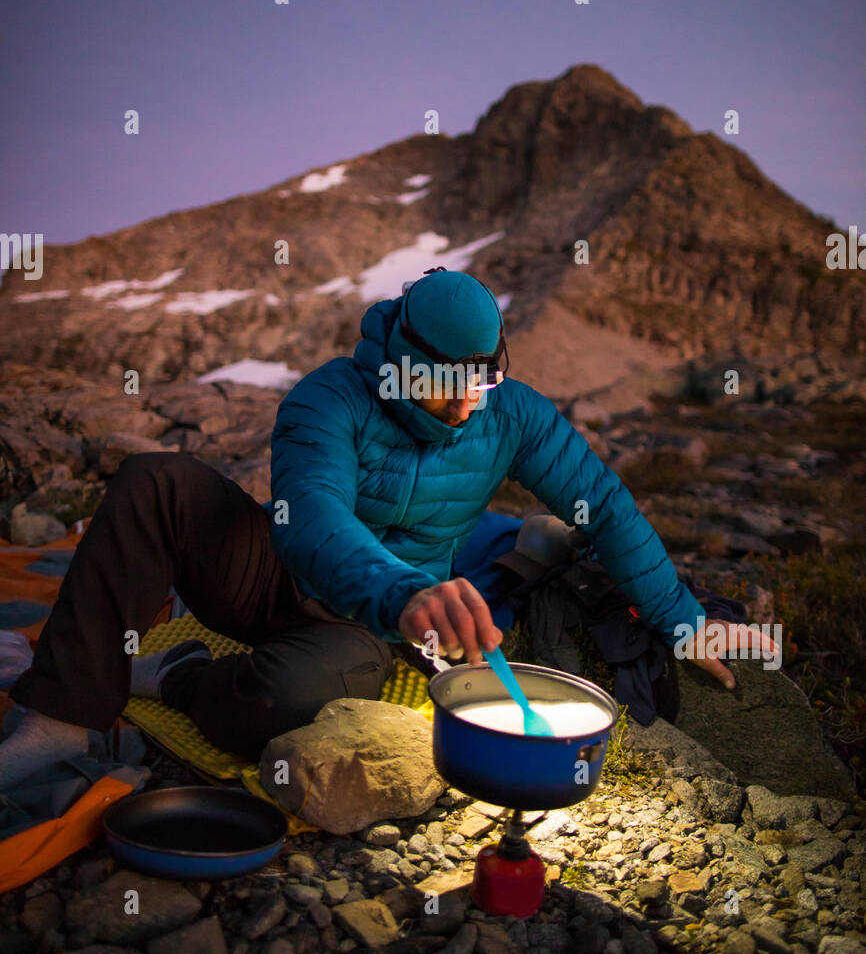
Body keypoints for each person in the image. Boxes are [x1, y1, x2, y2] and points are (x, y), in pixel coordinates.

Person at [0, 268, 776, 789]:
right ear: (403, 364)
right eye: (448, 386)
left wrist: (682, 622)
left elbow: (600, 504)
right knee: (153, 481)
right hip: (280, 576)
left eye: (484, 379)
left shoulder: (511, 414)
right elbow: (311, 519)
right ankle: (65, 715)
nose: (470, 405)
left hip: (369, 627)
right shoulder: (328, 398)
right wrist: (405, 589)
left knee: (277, 704)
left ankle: (178, 675)